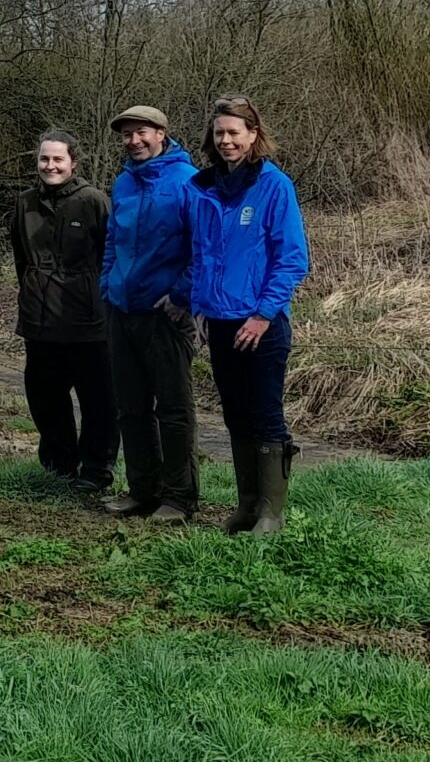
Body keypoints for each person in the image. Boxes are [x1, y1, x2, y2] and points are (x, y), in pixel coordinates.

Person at [182, 95, 311, 535]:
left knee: (264, 414)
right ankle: (246, 506)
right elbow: (201, 254)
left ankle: (271, 514)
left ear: (253, 135)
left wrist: (262, 314)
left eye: (234, 132)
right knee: (235, 414)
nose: (226, 140)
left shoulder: (274, 186)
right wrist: (199, 305)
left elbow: (291, 258)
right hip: (218, 320)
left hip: (262, 323)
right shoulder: (204, 187)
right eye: (219, 133)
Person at [100, 105, 199, 522]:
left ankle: (179, 498)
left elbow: (204, 247)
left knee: (173, 410)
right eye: (126, 135)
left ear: (161, 134)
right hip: (122, 309)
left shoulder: (188, 182)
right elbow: (112, 240)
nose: (133, 141)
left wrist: (181, 295)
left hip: (165, 314)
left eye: (141, 132)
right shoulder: (123, 182)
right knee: (130, 407)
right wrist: (108, 283)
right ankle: (142, 491)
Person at [7, 129, 117, 491]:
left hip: (88, 318)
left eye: (57, 159)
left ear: (73, 162)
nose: (50, 166)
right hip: (39, 318)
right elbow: (21, 256)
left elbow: (109, 254)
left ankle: (97, 469)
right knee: (44, 396)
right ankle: (59, 465)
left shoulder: (93, 200)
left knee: (97, 398)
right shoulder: (25, 203)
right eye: (44, 159)